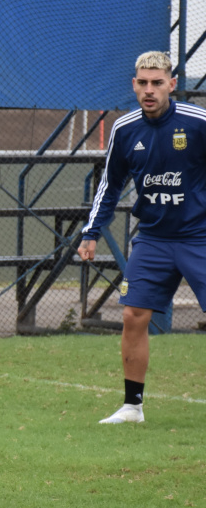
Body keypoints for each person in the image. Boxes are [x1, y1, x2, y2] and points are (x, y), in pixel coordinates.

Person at [78, 50, 206, 425]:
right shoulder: (125, 129)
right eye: (143, 83)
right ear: (134, 85)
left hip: (199, 237)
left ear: (171, 84)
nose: (149, 90)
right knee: (134, 315)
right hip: (151, 239)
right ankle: (132, 407)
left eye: (157, 82)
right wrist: (91, 232)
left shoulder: (197, 123)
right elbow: (110, 185)